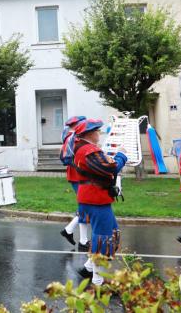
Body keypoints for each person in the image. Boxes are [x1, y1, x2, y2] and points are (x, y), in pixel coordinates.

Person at [72, 118, 128, 286]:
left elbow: (103, 166)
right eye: (97, 130)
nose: (99, 133)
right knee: (103, 238)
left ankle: (88, 269)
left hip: (94, 197)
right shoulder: (88, 150)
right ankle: (97, 280)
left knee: (111, 233)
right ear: (90, 134)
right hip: (95, 198)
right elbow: (111, 167)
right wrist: (122, 155)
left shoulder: (85, 149)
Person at [59, 115, 90, 250]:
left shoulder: (70, 137)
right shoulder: (75, 138)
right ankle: (82, 240)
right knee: (85, 206)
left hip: (75, 174)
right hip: (79, 175)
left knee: (85, 206)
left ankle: (71, 232)